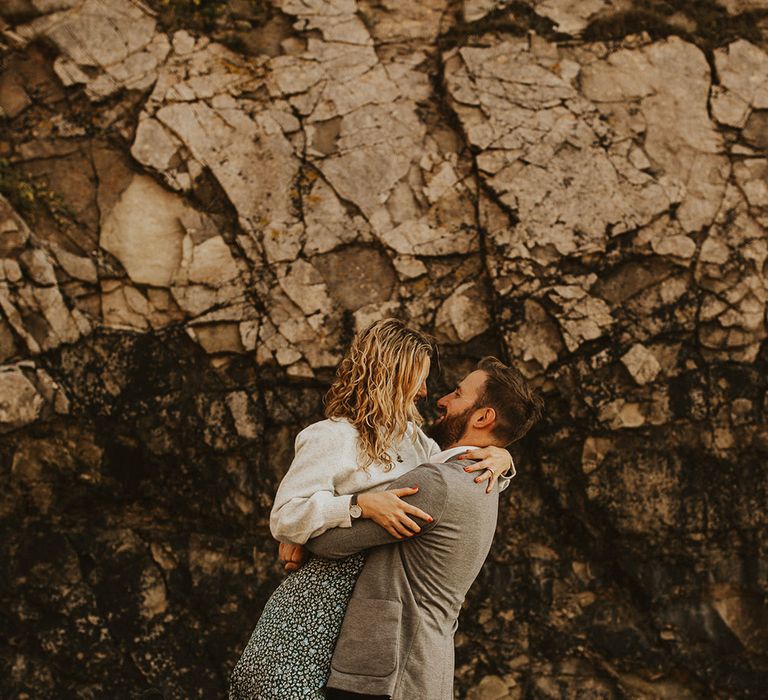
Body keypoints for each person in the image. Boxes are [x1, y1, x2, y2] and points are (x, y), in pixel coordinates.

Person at [229, 320, 514, 699]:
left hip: (366, 613)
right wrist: (357, 506)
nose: (427, 392)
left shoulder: (415, 443)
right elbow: (285, 517)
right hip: (316, 607)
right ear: (390, 376)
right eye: (420, 378)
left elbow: (455, 478)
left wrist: (505, 459)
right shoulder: (332, 437)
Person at [307, 357, 544, 700]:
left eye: (458, 394)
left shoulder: (436, 484)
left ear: (482, 417)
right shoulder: (481, 481)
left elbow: (327, 543)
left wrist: (314, 523)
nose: (442, 399)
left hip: (387, 671)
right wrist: (505, 458)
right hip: (424, 672)